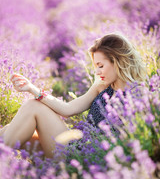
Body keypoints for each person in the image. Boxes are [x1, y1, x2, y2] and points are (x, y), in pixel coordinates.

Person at [0, 33, 146, 158]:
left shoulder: (137, 98)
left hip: (87, 159)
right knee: (12, 129)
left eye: (101, 66)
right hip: (78, 145)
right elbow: (67, 109)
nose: (97, 72)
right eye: (96, 67)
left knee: (33, 107)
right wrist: (31, 89)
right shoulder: (102, 87)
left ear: (118, 62)